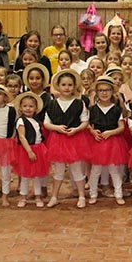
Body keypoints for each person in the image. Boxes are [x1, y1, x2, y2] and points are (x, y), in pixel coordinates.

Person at [44, 69, 91, 209]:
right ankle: (54, 196)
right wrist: (57, 128)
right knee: (58, 171)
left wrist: (76, 129)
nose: (67, 88)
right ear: (58, 85)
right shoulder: (52, 104)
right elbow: (46, 123)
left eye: (70, 85)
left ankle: (82, 196)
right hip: (58, 141)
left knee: (77, 169)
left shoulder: (79, 103)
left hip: (75, 140)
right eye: (64, 84)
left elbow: (85, 121)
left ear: (74, 86)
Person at [88, 75, 127, 206]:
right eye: (101, 90)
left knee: (114, 170)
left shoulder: (117, 109)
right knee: (95, 170)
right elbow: (87, 124)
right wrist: (92, 131)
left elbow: (121, 127)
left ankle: (118, 193)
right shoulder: (92, 109)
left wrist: (111, 132)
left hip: (113, 143)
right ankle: (93, 194)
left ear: (112, 92)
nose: (104, 93)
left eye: (107, 90)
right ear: (97, 93)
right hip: (98, 143)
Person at [13, 91, 49, 208]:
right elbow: (22, 136)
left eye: (31, 106)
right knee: (25, 176)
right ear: (21, 108)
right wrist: (29, 151)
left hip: (38, 149)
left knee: (37, 175)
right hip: (26, 150)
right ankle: (23, 197)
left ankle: (38, 196)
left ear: (35, 108)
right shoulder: (21, 121)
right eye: (25, 106)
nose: (28, 109)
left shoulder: (37, 121)